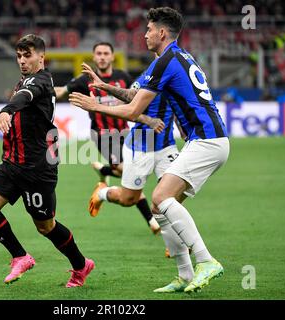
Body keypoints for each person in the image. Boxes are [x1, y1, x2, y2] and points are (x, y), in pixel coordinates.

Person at [69, 7, 229, 293]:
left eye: (149, 29)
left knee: (159, 197)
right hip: (209, 140)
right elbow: (134, 95)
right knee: (160, 206)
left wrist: (95, 104)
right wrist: (104, 86)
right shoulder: (178, 57)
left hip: (205, 141)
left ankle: (206, 260)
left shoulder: (165, 61)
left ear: (162, 33)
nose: (144, 34)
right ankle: (184, 275)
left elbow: (132, 110)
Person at [0, 34, 94, 288]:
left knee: (46, 227)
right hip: (11, 163)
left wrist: (7, 109)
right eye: (18, 56)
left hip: (37, 168)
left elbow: (26, 96)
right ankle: (20, 256)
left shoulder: (40, 80)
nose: (22, 60)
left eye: (27, 55)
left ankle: (81, 265)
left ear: (42, 57)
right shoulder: (25, 80)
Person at [80, 61, 186, 259]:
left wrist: (183, 129)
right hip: (140, 148)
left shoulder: (178, 79)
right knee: (128, 199)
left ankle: (174, 243)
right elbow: (129, 106)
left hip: (166, 146)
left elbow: (179, 107)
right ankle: (103, 192)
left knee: (173, 194)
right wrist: (148, 120)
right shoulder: (148, 77)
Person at [55, 42, 164, 234]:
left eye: (106, 53)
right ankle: (152, 221)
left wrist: (147, 119)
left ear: (113, 56)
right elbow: (61, 91)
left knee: (133, 176)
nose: (103, 56)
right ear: (94, 56)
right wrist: (36, 91)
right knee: (129, 174)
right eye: (99, 53)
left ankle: (104, 169)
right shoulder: (83, 80)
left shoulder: (123, 77)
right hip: (103, 135)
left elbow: (134, 104)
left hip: (126, 134)